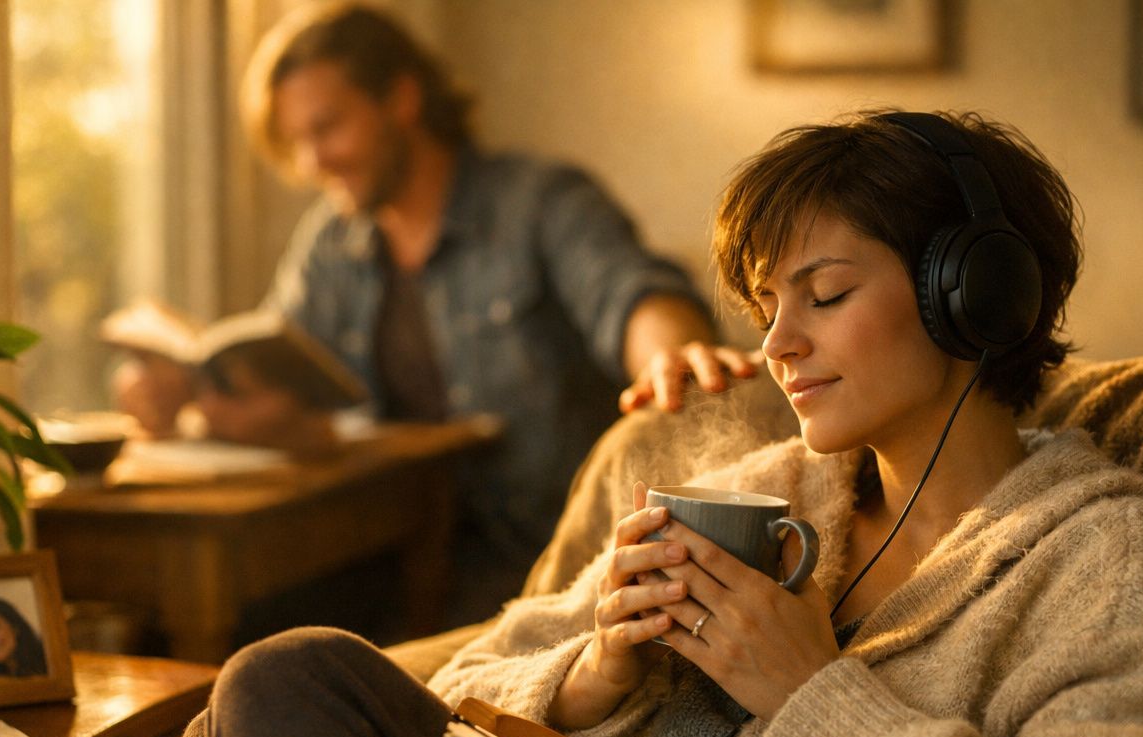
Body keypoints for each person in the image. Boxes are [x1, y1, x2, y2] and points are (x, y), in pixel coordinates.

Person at [157, 109, 1143, 737]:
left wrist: (812, 696)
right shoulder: (763, 492)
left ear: (970, 295)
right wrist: (595, 675)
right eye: (768, 306)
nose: (777, 345)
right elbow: (455, 690)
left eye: (825, 295)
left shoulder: (1105, 556)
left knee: (288, 682)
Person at [116, 2, 757, 584]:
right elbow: (273, 361)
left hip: (549, 557)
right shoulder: (330, 244)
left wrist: (671, 355)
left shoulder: (540, 201)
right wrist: (189, 394)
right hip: (389, 559)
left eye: (328, 128)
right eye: (299, 142)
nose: (313, 163)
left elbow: (633, 294)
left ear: (400, 99)